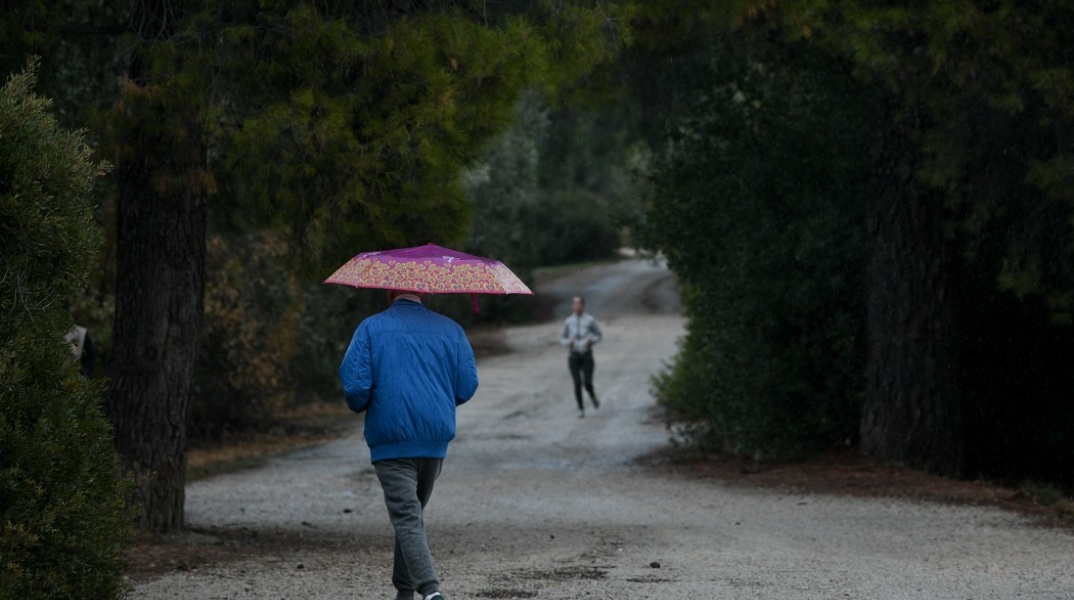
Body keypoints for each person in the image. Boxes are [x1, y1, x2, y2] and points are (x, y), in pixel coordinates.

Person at [339, 290, 479, 600]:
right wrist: (436, 402)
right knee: (411, 516)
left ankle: (431, 592)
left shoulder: (370, 328)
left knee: (406, 516)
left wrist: (367, 404)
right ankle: (404, 591)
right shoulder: (451, 329)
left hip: (391, 438)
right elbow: (467, 384)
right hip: (434, 439)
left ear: (388, 293)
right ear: (425, 293)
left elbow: (355, 386)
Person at [560, 295, 602, 418]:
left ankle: (592, 396)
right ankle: (581, 409)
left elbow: (599, 335)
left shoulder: (590, 320)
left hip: (587, 355)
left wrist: (592, 340)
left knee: (587, 382)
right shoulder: (568, 321)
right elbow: (562, 338)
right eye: (574, 303)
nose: (576, 306)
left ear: (583, 305)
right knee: (577, 382)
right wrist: (568, 343)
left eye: (578, 303)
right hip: (573, 356)